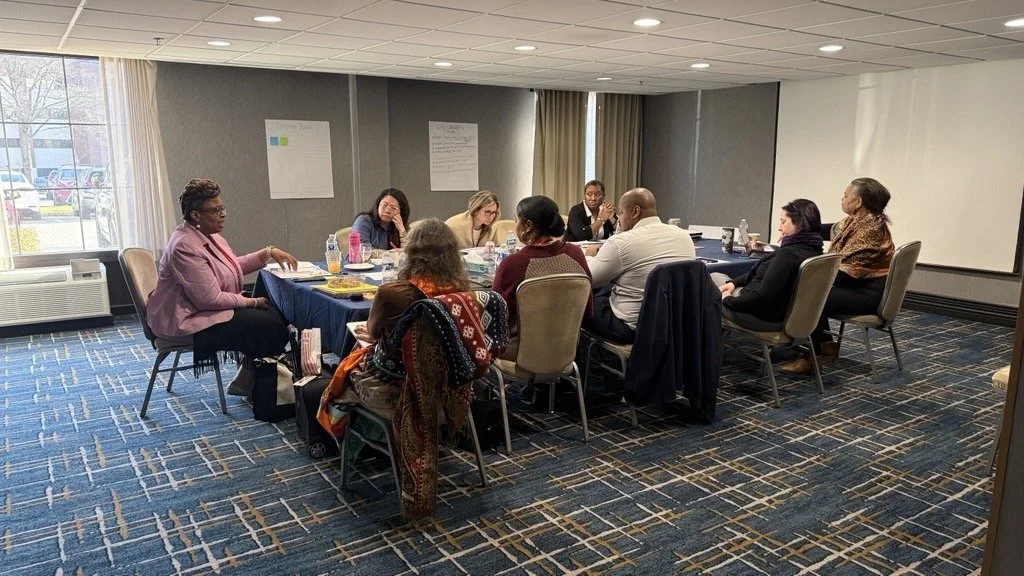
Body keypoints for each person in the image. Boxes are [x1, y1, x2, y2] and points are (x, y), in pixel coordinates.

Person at [147, 178, 298, 389]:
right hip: (185, 318)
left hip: (200, 308)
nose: (223, 214)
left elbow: (230, 267)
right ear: (196, 215)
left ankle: (252, 377)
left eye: (222, 207)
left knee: (275, 314)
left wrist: (268, 253)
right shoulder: (184, 246)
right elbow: (210, 299)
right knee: (266, 324)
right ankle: (264, 387)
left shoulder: (207, 235)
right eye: (216, 210)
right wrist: (252, 302)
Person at [780, 177, 895, 375]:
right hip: (860, 287)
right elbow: (829, 230)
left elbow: (844, 275)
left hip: (867, 295)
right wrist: (798, 228)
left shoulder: (869, 230)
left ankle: (811, 357)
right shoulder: (860, 221)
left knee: (810, 295)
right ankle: (826, 345)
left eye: (845, 195)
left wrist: (807, 269)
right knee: (813, 288)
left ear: (858, 202)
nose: (842, 198)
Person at [584, 187, 695, 344]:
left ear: (635, 212)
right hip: (673, 324)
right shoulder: (684, 236)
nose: (619, 219)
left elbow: (589, 279)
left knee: (582, 300)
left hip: (630, 328)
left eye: (621, 213)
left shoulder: (621, 243)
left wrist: (589, 256)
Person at [492, 196, 593, 358]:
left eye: (516, 220)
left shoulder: (512, 264)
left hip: (522, 352)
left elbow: (495, 320)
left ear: (528, 226)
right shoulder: (575, 254)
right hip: (566, 348)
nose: (515, 224)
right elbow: (587, 313)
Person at [719, 199, 824, 328]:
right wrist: (733, 283)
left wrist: (727, 300)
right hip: (788, 316)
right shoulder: (814, 249)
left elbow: (760, 298)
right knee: (719, 280)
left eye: (783, 222)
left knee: (709, 282)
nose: (779, 227)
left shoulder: (788, 255)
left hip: (762, 317)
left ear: (800, 224)